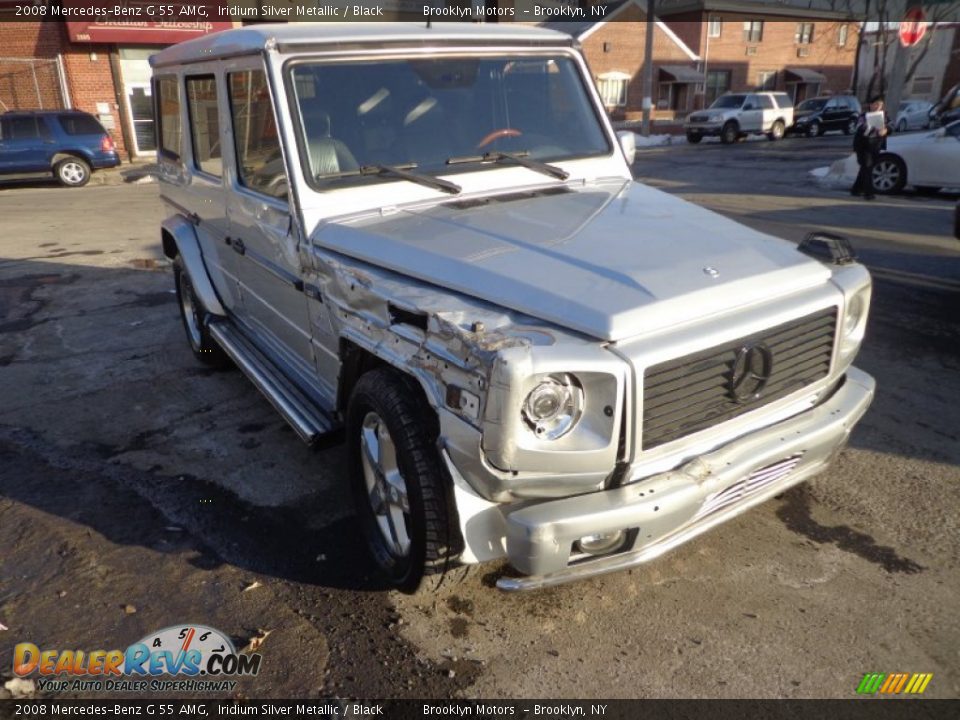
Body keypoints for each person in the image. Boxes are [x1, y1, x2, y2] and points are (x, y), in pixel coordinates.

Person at [851, 97, 888, 200]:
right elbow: (859, 127)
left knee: (865, 168)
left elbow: (891, 126)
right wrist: (870, 127)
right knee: (868, 168)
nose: (877, 107)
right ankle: (869, 192)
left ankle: (856, 189)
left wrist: (886, 130)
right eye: (875, 104)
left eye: (879, 105)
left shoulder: (884, 117)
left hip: (876, 145)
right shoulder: (863, 116)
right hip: (864, 145)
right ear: (870, 105)